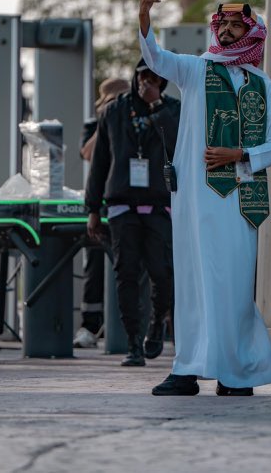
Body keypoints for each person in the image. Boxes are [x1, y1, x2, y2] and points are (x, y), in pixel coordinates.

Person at [138, 0, 271, 396]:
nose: (227, 31)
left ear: (252, 32)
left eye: (237, 26)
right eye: (223, 24)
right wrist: (145, 17)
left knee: (235, 287)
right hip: (198, 203)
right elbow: (156, 58)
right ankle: (186, 369)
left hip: (241, 203)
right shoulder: (196, 69)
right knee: (194, 282)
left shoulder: (263, 85)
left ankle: (235, 373)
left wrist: (239, 154)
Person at [85, 64, 178, 366]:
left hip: (158, 203)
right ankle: (133, 343)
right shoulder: (113, 111)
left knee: (162, 272)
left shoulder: (172, 110)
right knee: (125, 274)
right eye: (141, 76)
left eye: (153, 78)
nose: (145, 82)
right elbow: (99, 161)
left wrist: (156, 105)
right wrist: (93, 209)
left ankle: (156, 327)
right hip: (121, 203)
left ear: (163, 81)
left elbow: (176, 143)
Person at [75, 77, 130, 349]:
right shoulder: (94, 124)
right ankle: (90, 323)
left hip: (130, 201)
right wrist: (106, 118)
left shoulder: (135, 119)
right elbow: (87, 154)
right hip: (103, 200)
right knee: (94, 262)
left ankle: (130, 323)